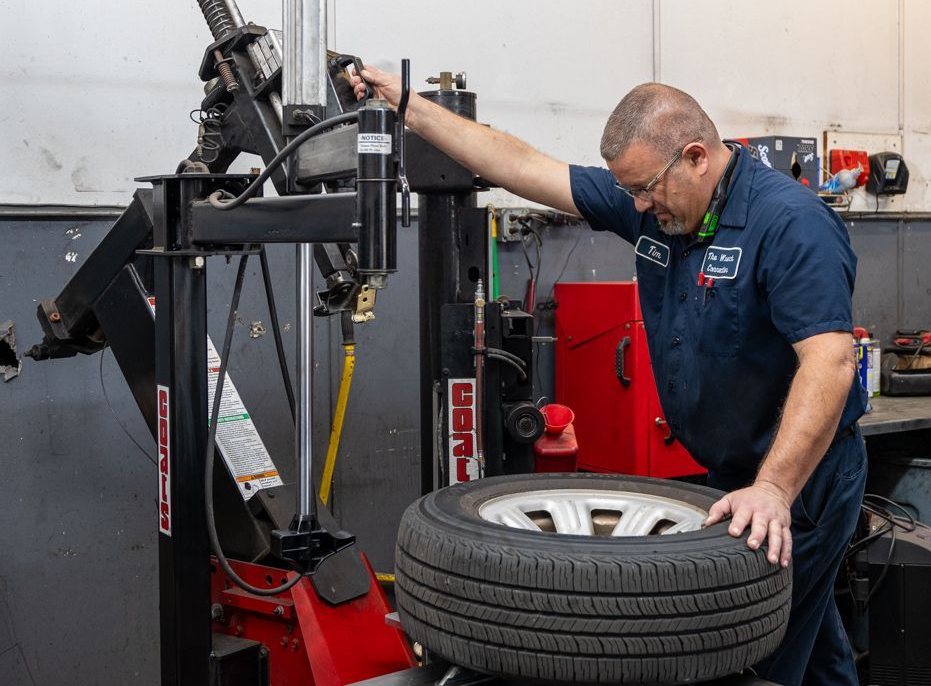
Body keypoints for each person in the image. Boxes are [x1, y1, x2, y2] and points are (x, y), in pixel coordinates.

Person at [353, 68, 867, 686]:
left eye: (646, 189)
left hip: (800, 479)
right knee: (812, 643)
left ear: (696, 157)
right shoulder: (657, 204)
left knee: (748, 654)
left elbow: (830, 360)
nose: (638, 206)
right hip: (734, 475)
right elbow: (522, 165)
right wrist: (410, 107)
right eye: (629, 191)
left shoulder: (790, 222)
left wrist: (775, 490)